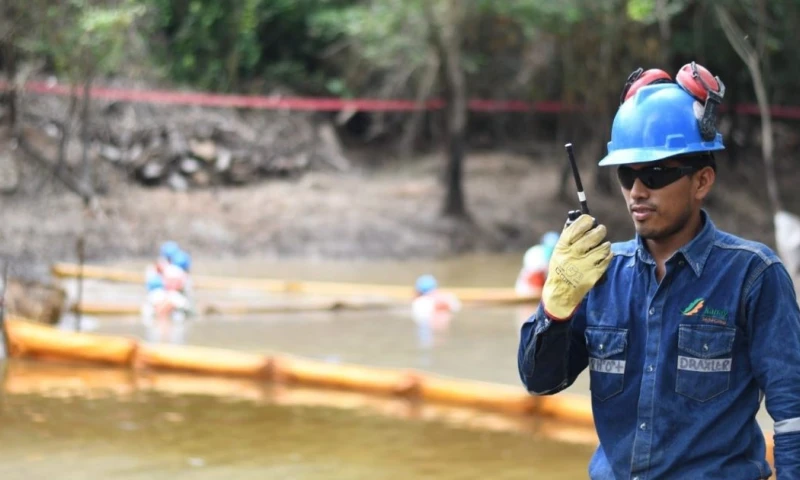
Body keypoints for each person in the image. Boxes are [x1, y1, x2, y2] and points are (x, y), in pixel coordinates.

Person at [517, 62, 800, 479]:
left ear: (701, 181)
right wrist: (555, 308)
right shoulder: (600, 275)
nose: (637, 190)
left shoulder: (753, 277)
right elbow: (540, 382)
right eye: (627, 174)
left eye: (655, 173)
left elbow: (793, 412)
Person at [515, 231, 560, 297]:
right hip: (529, 290)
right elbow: (535, 276)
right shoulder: (536, 253)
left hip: (536, 288)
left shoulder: (556, 255)